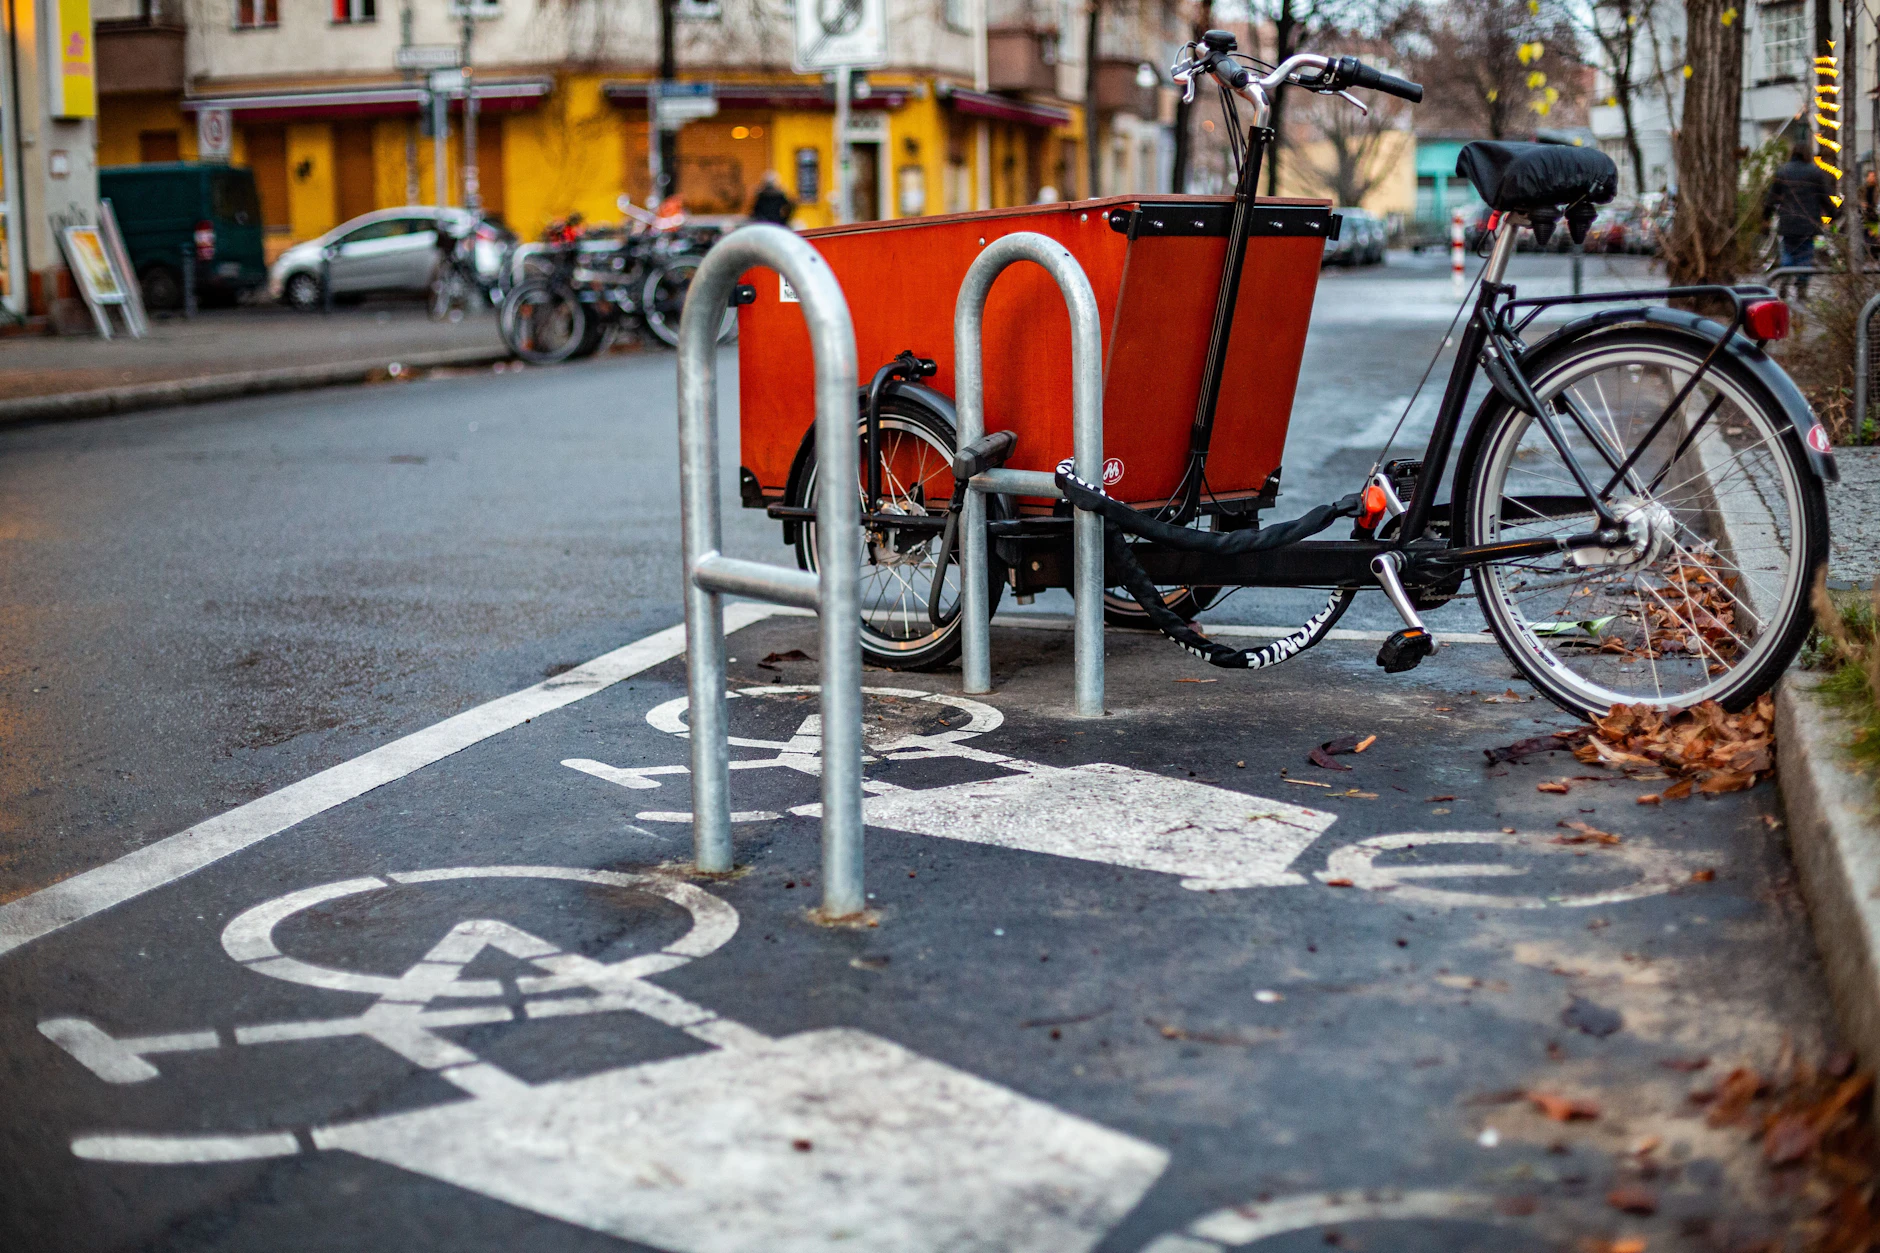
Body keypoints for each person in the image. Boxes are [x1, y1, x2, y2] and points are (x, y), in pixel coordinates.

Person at [1764, 142, 1837, 295]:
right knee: (1805, 254)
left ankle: (1785, 275)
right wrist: (1833, 214)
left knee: (1788, 251)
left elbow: (1771, 198)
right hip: (1808, 224)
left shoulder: (1782, 171)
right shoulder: (1815, 172)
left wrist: (1765, 217)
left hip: (1788, 222)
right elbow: (1825, 196)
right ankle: (1802, 285)